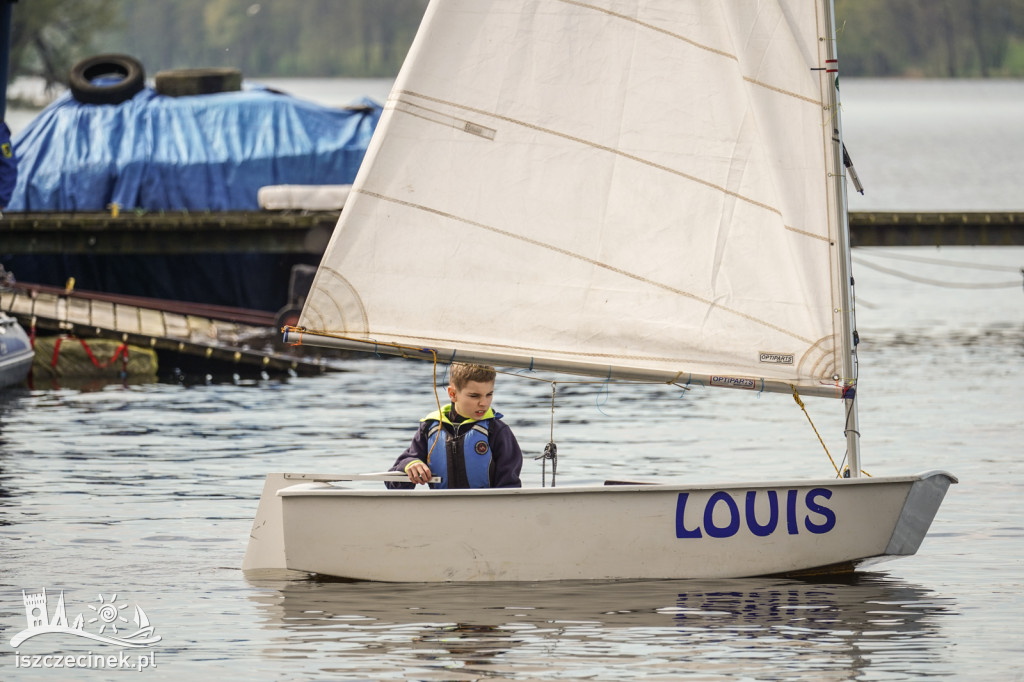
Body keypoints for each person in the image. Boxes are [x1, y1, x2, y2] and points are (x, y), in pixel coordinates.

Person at [386, 362, 523, 489]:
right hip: (441, 510)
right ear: (452, 394)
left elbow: (510, 489)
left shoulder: (498, 431)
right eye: (474, 396)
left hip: (485, 511)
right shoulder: (429, 428)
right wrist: (410, 465)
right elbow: (392, 484)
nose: (484, 403)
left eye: (489, 394)